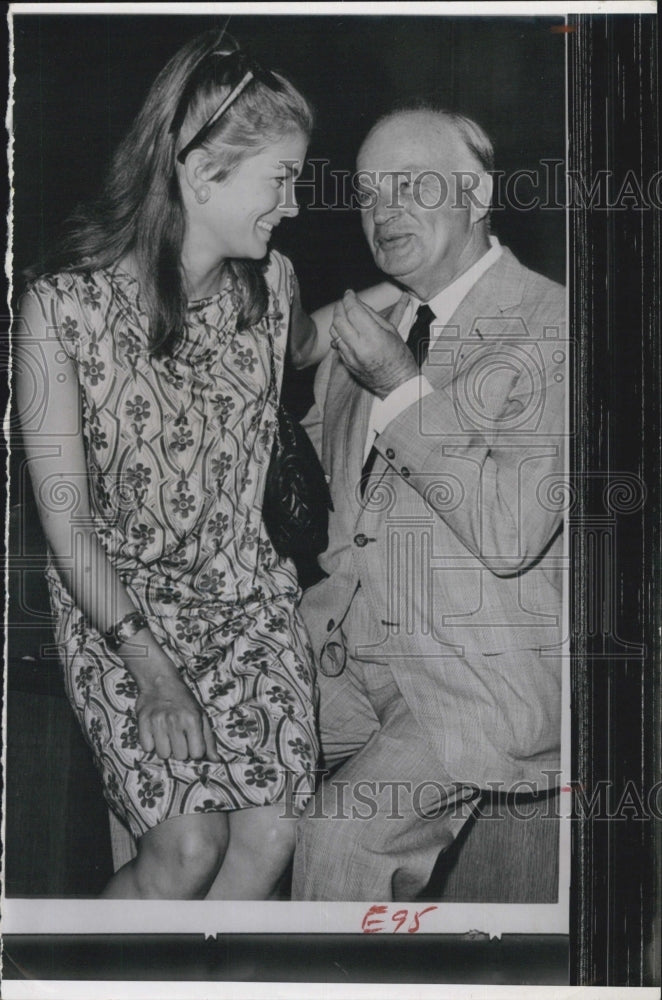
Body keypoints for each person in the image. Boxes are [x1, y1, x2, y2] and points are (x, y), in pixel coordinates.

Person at [15, 29, 327, 901]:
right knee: (188, 848)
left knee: (273, 832)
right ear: (200, 172)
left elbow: (316, 341)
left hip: (246, 604)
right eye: (281, 178)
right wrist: (153, 675)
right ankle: (80, 970)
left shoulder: (275, 287)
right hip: (119, 608)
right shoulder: (59, 310)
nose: (294, 205)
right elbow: (67, 527)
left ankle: (183, 972)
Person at [291, 106, 566, 901]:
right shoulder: (366, 330)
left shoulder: (555, 326)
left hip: (469, 679)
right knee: (203, 788)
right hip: (339, 665)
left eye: (411, 185)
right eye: (369, 193)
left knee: (341, 839)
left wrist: (400, 386)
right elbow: (320, 512)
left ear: (477, 196)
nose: (384, 210)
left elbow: (511, 532)